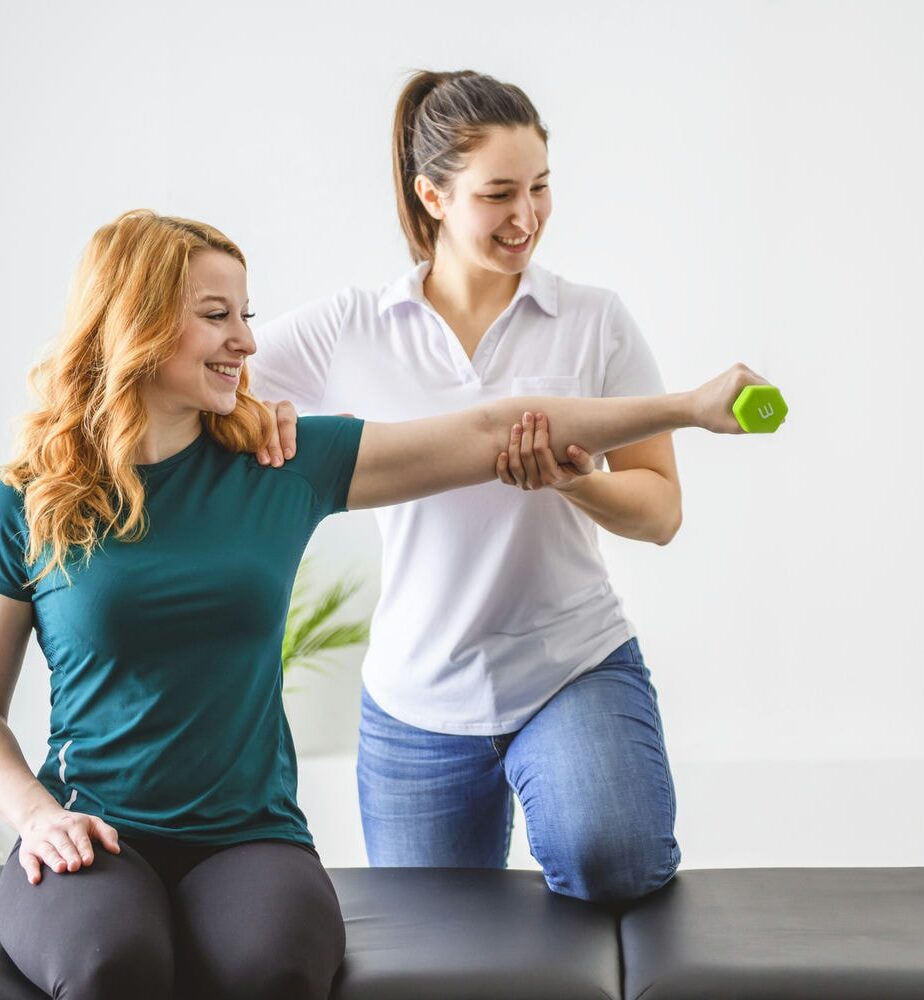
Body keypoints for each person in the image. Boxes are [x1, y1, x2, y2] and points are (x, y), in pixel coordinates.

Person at [0, 208, 764, 997]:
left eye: (246, 316)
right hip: (89, 830)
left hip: (248, 838)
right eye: (217, 316)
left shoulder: (280, 465)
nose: (249, 341)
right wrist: (34, 816)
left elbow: (494, 427)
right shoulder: (32, 501)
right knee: (110, 967)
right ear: (138, 322)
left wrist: (687, 408)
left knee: (274, 970)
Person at [250, 70, 759, 904]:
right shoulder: (354, 327)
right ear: (434, 197)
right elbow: (212, 378)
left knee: (614, 860)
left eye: (540, 188)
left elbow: (661, 512)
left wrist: (577, 483)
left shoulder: (594, 321)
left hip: (569, 667)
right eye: (498, 194)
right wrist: (252, 416)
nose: (526, 217)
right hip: (416, 696)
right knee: (437, 950)